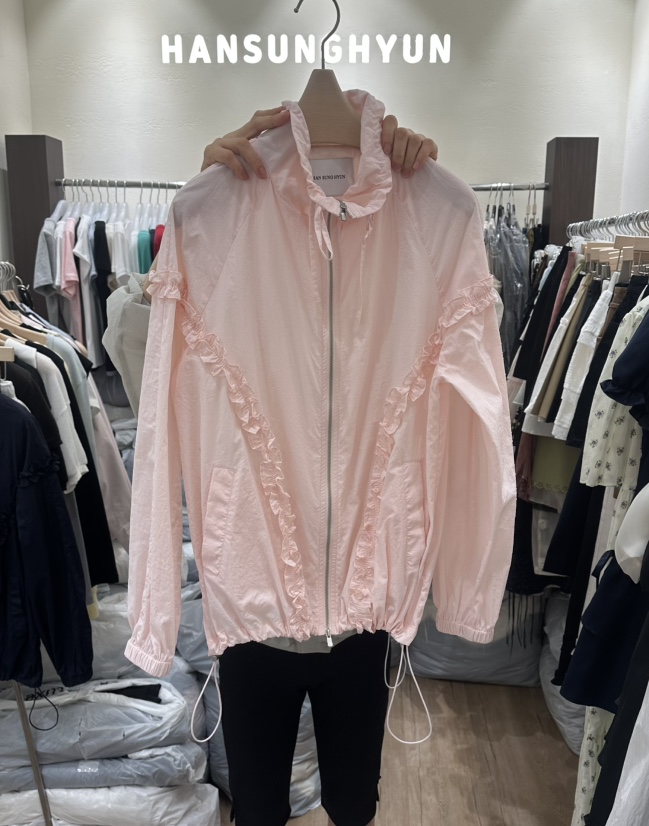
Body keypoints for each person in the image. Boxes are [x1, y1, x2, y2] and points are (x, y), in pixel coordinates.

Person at [151, 108, 438, 826]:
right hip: (253, 612)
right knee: (256, 809)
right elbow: (157, 411)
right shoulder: (211, 214)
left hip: (365, 615)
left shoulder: (428, 213)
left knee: (353, 804)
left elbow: (473, 410)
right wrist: (157, 615)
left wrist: (459, 585)